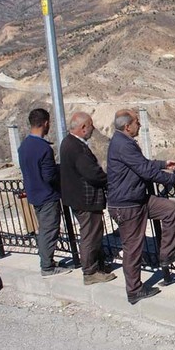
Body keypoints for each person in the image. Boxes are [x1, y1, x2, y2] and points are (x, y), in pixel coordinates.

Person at [106, 109, 175, 305]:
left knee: (170, 209)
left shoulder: (124, 142)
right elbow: (145, 170)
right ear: (127, 126)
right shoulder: (123, 144)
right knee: (133, 248)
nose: (140, 125)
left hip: (137, 200)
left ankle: (167, 254)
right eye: (137, 122)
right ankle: (134, 290)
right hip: (127, 206)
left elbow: (141, 164)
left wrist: (162, 164)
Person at [60, 112, 115, 286]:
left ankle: (96, 266)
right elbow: (92, 174)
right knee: (90, 235)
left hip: (79, 199)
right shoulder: (77, 147)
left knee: (90, 233)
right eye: (91, 125)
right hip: (86, 199)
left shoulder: (68, 143)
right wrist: (109, 180)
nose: (93, 129)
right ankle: (90, 272)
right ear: (83, 127)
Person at [18, 108, 71, 276]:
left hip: (34, 194)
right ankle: (47, 266)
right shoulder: (43, 148)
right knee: (49, 230)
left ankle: (47, 260)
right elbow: (49, 176)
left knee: (43, 229)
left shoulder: (24, 146)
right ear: (46, 123)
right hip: (47, 195)